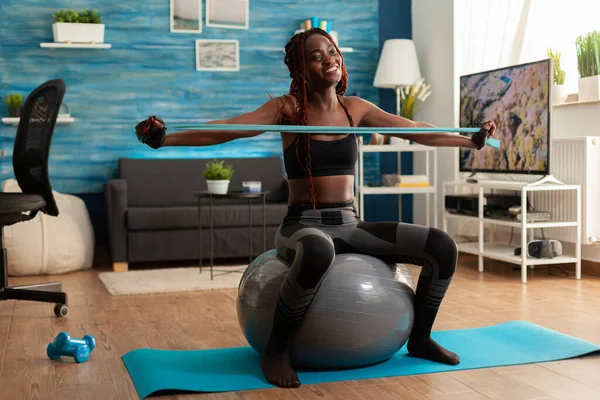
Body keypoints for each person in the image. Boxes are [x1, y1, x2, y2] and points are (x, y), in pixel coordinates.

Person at [135, 28, 497, 388]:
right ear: (300, 69)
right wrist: (165, 139)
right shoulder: (287, 109)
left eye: (332, 51)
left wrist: (469, 141)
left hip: (350, 223)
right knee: (319, 249)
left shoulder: (355, 108)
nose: (329, 58)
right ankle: (275, 351)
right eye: (316, 55)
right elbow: (228, 129)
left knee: (442, 246)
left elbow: (416, 130)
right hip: (301, 226)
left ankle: (420, 338)